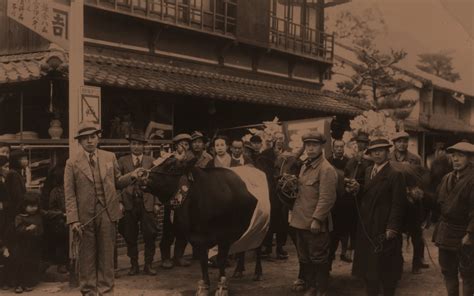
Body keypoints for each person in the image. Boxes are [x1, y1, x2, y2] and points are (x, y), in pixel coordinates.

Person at [64, 121, 140, 296]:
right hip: (84, 218)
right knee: (87, 257)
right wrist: (73, 219)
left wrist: (133, 176)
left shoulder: (109, 157)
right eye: (85, 138)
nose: (90, 141)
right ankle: (89, 291)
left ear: (98, 137)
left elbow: (118, 181)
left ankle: (106, 291)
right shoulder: (72, 163)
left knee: (106, 256)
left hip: (107, 213)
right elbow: (70, 194)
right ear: (79, 141)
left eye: (93, 137)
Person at [352, 138, 408, 296]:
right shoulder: (369, 170)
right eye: (373, 151)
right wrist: (358, 188)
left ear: (387, 152)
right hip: (367, 225)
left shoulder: (395, 174)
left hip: (384, 227)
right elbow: (369, 192)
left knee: (386, 270)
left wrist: (392, 227)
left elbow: (399, 204)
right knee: (370, 271)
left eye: (381, 150)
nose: (377, 153)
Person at [290, 132, 337, 296]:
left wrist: (317, 219)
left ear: (322, 147)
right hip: (300, 221)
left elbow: (327, 198)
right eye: (307, 145)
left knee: (318, 257)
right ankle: (311, 287)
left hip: (315, 224)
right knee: (305, 258)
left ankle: (321, 289)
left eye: (314, 145)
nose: (310, 149)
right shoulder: (305, 166)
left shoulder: (326, 169)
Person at [432, 142, 474, 296]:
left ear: (470, 158)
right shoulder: (447, 178)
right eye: (453, 155)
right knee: (448, 272)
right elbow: (437, 201)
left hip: (465, 234)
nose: (455, 159)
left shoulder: (472, 179)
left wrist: (470, 234)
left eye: (461, 156)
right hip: (446, 233)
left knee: (468, 275)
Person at [118, 131, 160, 276]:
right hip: (129, 202)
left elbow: (156, 184)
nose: (136, 147)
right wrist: (119, 202)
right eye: (133, 144)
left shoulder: (151, 161)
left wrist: (156, 203)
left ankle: (148, 264)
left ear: (144, 146)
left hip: (147, 201)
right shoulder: (122, 161)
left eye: (139, 144)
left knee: (150, 234)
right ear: (130, 145)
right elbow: (117, 183)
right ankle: (134, 265)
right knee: (130, 235)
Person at [390, 131, 428, 274]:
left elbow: (421, 178)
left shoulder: (415, 158)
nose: (402, 144)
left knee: (416, 233)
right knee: (395, 231)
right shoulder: (388, 157)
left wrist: (415, 192)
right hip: (394, 199)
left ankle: (417, 262)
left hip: (411, 200)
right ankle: (397, 261)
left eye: (405, 141)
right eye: (399, 141)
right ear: (394, 143)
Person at [159, 133, 192, 269]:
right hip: (172, 199)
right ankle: (166, 257)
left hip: (187, 199)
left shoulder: (190, 158)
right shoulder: (168, 158)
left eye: (186, 144)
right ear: (175, 146)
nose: (183, 146)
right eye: (181, 144)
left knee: (184, 228)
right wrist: (176, 160)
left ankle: (179, 256)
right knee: (169, 228)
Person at [256, 132, 290, 259]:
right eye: (277, 138)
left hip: (283, 192)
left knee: (283, 221)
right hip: (270, 191)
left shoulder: (288, 153)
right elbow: (261, 171)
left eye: (282, 138)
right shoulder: (265, 154)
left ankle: (280, 247)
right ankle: (268, 247)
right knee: (269, 219)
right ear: (273, 139)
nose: (279, 141)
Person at [12, 193, 44, 293]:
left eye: (35, 206)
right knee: (21, 264)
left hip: (33, 245)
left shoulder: (38, 215)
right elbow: (18, 229)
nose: (34, 208)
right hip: (22, 245)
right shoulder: (20, 217)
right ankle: (18, 285)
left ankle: (27, 283)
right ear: (24, 206)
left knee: (30, 264)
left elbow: (48, 214)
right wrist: (26, 229)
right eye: (31, 206)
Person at [48, 167, 69, 274]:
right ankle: (62, 264)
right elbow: (51, 209)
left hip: (72, 219)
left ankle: (71, 263)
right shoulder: (55, 192)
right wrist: (62, 214)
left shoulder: (72, 188)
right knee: (61, 244)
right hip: (60, 222)